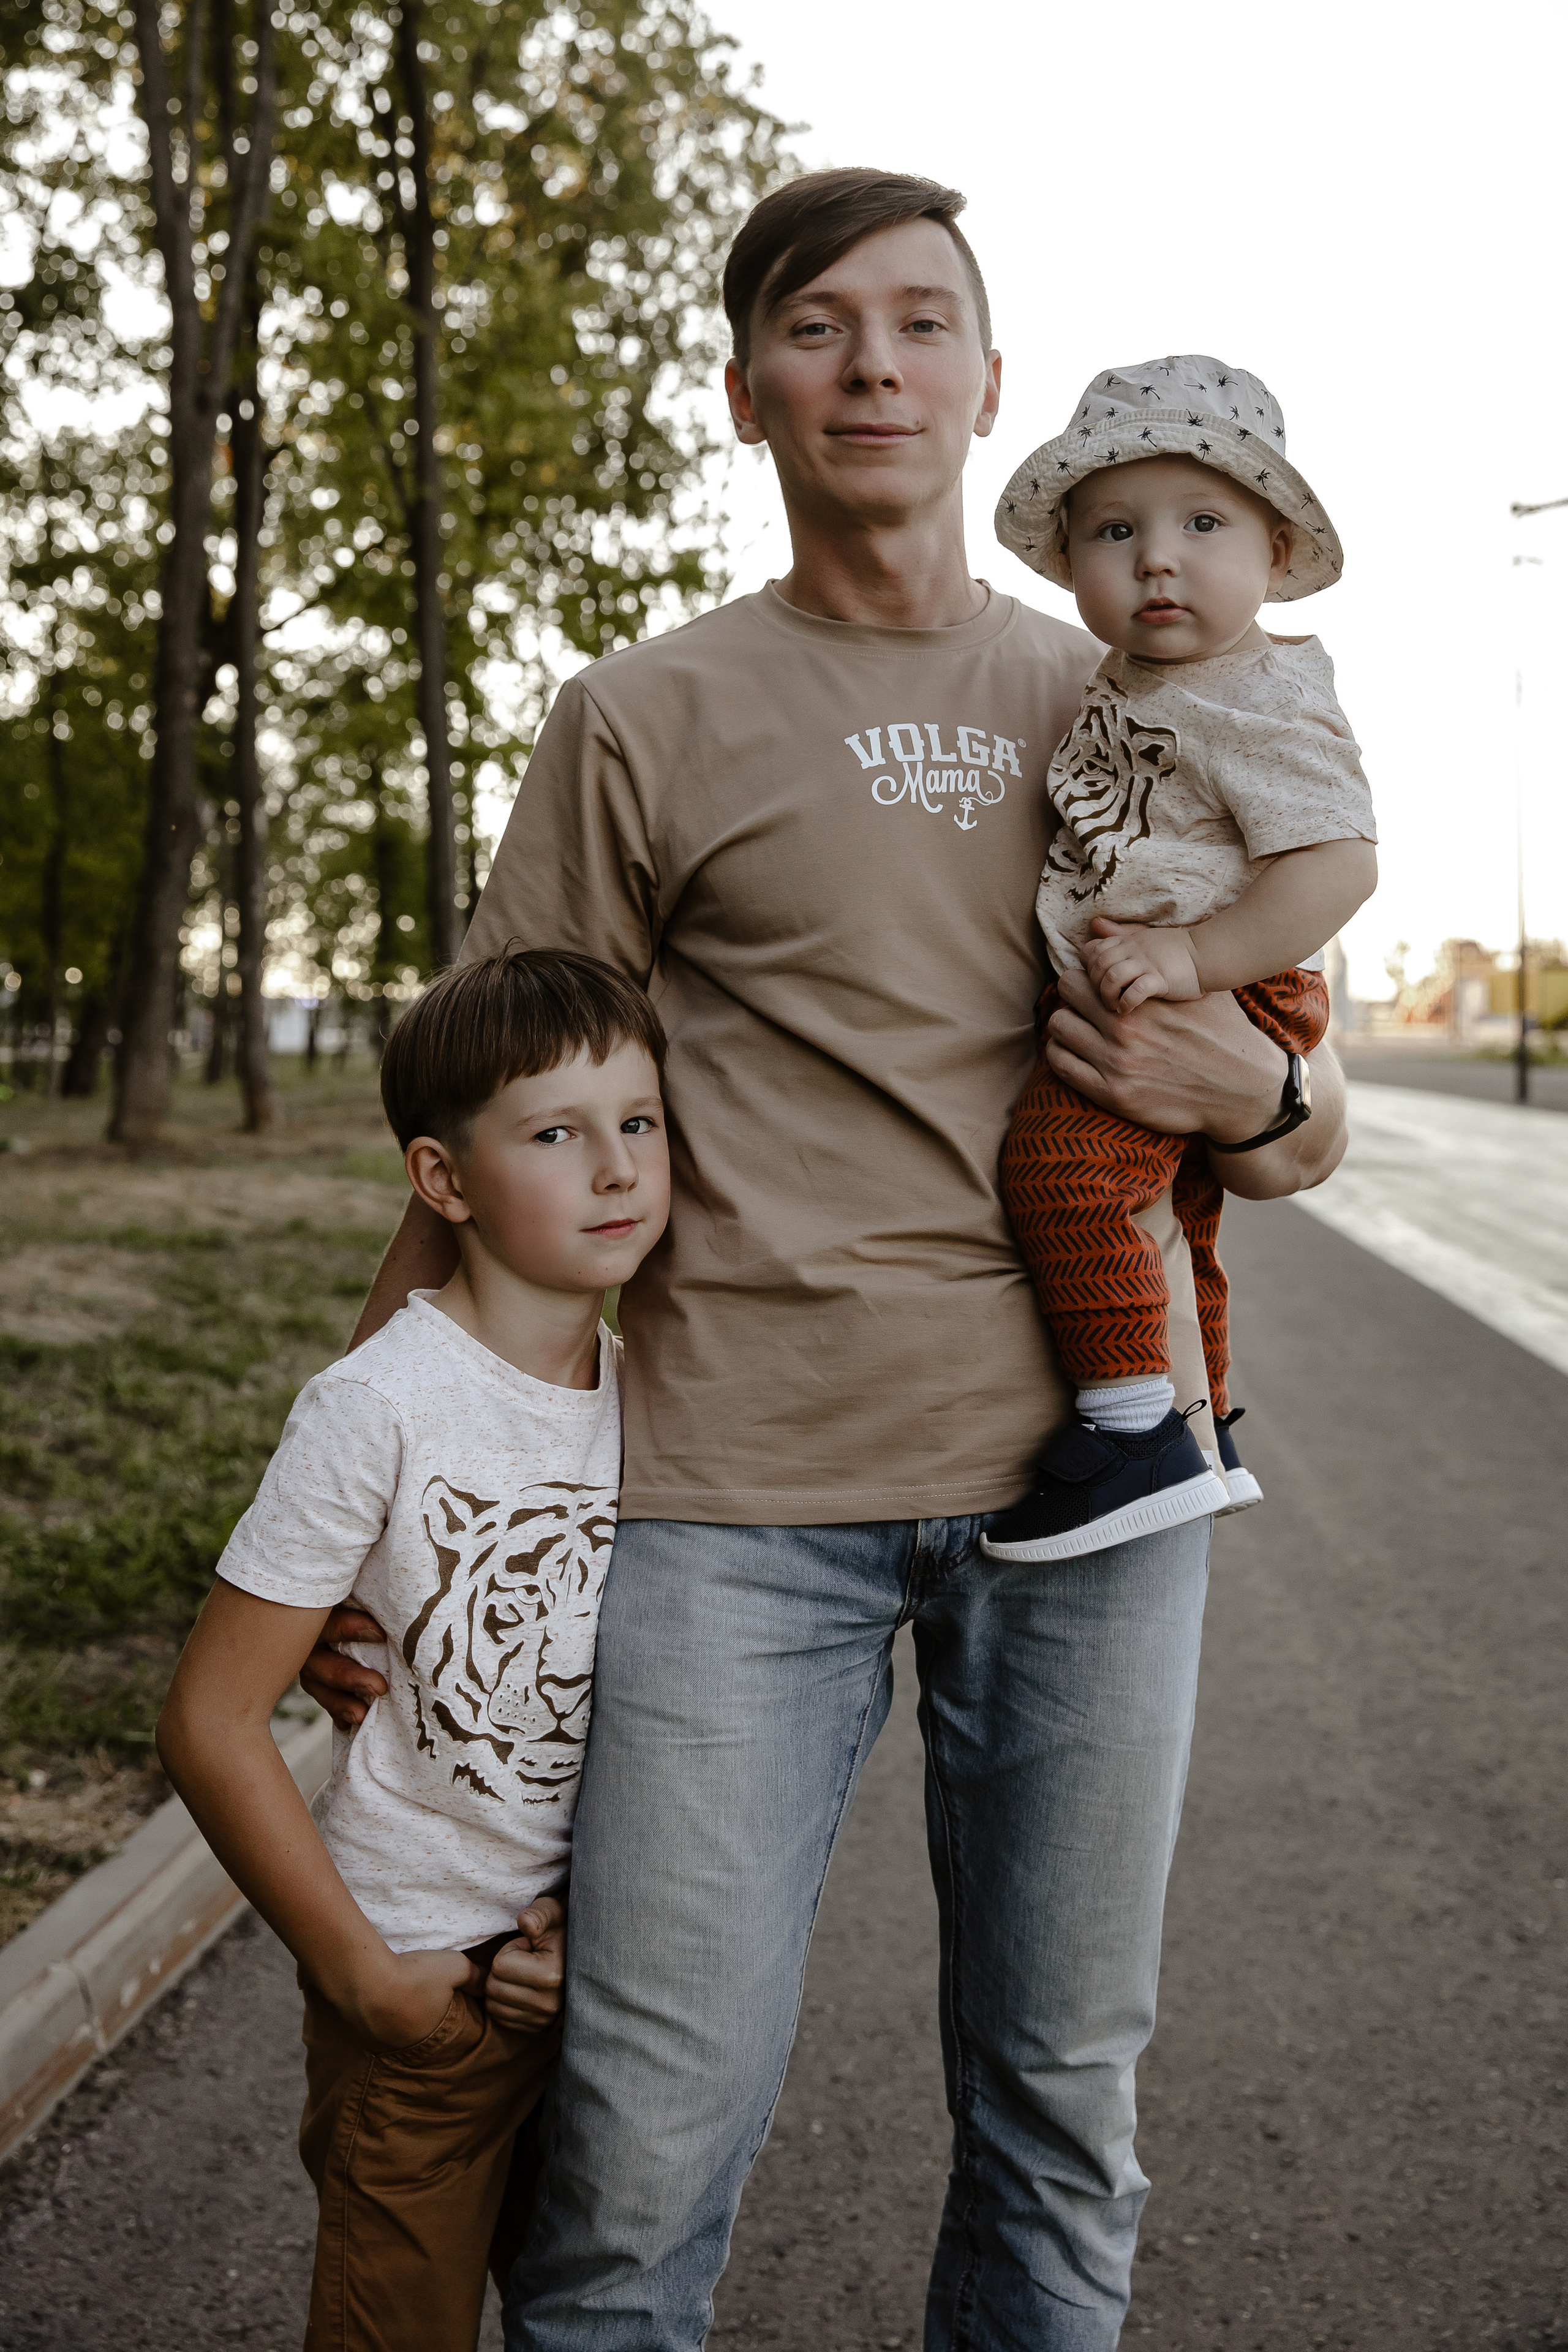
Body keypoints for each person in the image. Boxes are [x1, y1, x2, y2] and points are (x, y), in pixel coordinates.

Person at [302, 172, 1351, 2350]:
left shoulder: (1142, 685)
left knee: (1064, 2119)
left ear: (985, 383)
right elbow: (485, 1129)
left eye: (920, 322)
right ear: (747, 391)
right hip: (725, 1505)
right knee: (640, 2151)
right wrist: (357, 1501)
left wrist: (1246, 1102)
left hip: (1097, 1492)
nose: (872, 363)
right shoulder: (645, 713)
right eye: (817, 326)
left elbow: (1290, 1114)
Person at [157, 949, 670, 2352]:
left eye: (638, 1121)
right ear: (442, 1182)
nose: (616, 1168)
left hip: (593, 1989)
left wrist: (596, 1931)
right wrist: (362, 1975)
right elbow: (210, 1721)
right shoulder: (377, 1405)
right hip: (423, 1998)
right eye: (556, 1133)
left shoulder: (660, 1400)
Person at [982, 358, 1378, 1564]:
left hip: (1211, 980)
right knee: (1177, 1219)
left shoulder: (1260, 693)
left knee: (1060, 1168)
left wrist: (1196, 958)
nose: (1156, 557)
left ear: (1271, 548)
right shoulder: (1132, 679)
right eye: (1114, 530)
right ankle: (1205, 1434)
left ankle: (1127, 1432)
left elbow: (1337, 865)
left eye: (1200, 522)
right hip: (1168, 969)